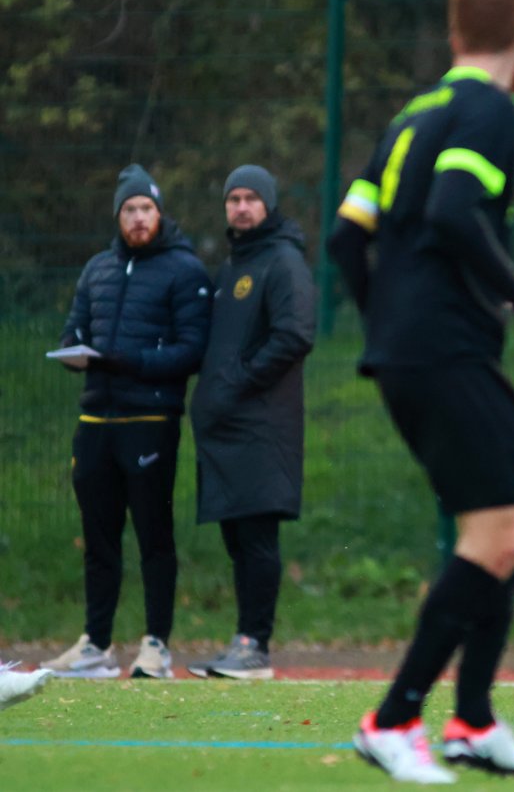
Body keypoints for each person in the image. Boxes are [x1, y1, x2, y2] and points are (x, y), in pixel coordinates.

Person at [326, 0, 514, 783]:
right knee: (498, 535)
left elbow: (342, 237)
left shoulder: (413, 115)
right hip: (441, 352)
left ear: (454, 31)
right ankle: (392, 719)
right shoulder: (491, 110)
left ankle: (472, 718)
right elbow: (453, 211)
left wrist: (385, 327)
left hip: (429, 350)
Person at [43, 164, 212, 679]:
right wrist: (78, 350)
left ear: (160, 213)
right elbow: (76, 327)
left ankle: (156, 645)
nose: (138, 218)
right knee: (99, 538)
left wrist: (131, 362)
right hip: (95, 419)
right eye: (129, 210)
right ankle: (96, 644)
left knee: (153, 536)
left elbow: (192, 350)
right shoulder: (97, 269)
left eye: (146, 209)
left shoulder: (185, 271)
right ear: (118, 216)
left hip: (149, 419)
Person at [186, 165, 316, 680]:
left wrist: (238, 381)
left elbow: (295, 334)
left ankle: (254, 646)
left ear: (268, 204)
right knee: (238, 539)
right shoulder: (233, 266)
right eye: (233, 199)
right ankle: (242, 641)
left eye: (250, 199)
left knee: (257, 538)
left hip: (262, 429)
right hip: (225, 431)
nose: (241, 207)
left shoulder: (283, 261)